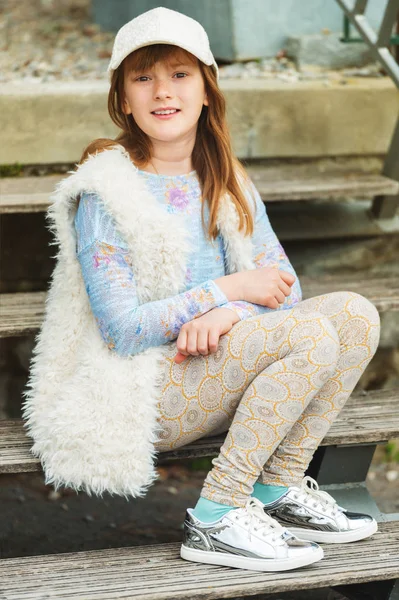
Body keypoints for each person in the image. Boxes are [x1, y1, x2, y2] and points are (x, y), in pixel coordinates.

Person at [23, 7, 381, 573]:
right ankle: (217, 514)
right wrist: (226, 291)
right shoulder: (104, 192)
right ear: (123, 98)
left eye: (180, 75)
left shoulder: (228, 178)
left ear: (208, 89)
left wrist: (229, 310)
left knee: (356, 315)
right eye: (143, 78)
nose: (162, 92)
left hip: (217, 363)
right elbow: (123, 331)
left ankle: (275, 491)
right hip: (141, 386)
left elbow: (282, 287)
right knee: (309, 332)